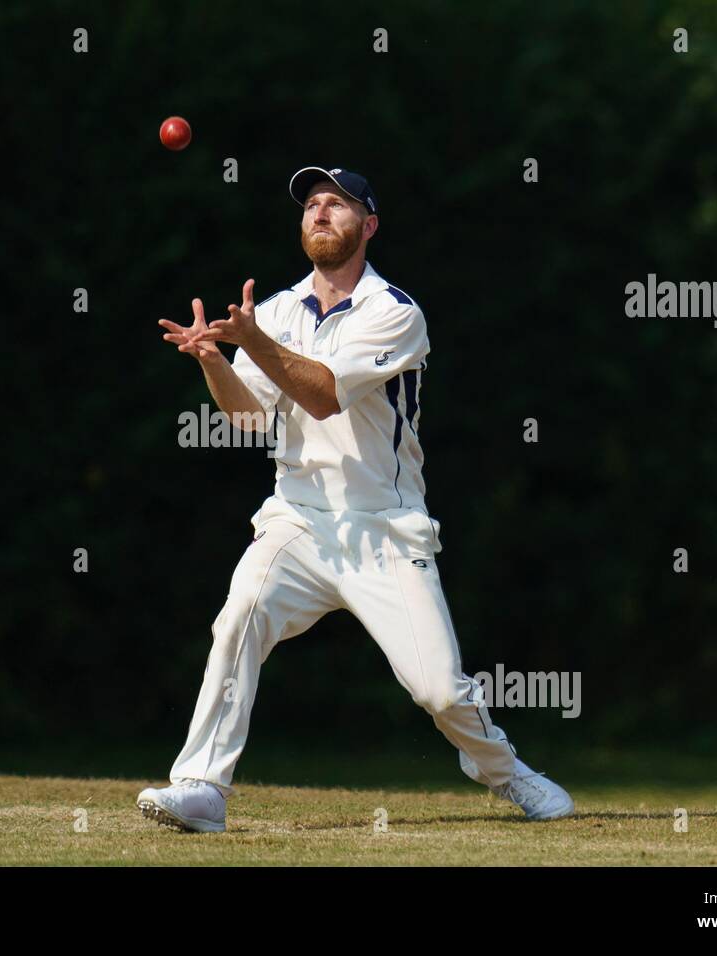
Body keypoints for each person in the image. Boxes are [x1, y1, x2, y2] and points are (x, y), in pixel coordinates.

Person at [140, 167, 574, 832]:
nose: (319, 213)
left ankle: (506, 772)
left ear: (368, 225)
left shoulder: (394, 312)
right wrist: (215, 362)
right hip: (297, 521)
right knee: (237, 622)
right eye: (311, 204)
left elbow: (320, 391)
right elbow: (250, 418)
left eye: (336, 205)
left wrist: (252, 341)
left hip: (384, 531)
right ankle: (200, 787)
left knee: (437, 690)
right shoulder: (280, 309)